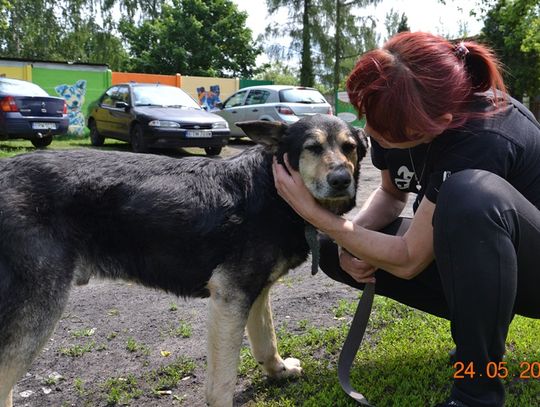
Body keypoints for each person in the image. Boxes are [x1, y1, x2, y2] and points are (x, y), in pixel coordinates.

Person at [272, 31, 540, 407]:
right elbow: (391, 193)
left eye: (380, 130)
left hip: (533, 272)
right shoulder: (395, 113)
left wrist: (317, 215)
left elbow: (410, 259)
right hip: (487, 253)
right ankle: (479, 330)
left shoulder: (485, 134)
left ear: (439, 123)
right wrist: (348, 240)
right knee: (336, 249)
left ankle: (476, 393)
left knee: (470, 195)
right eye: (367, 117)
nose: (368, 134)